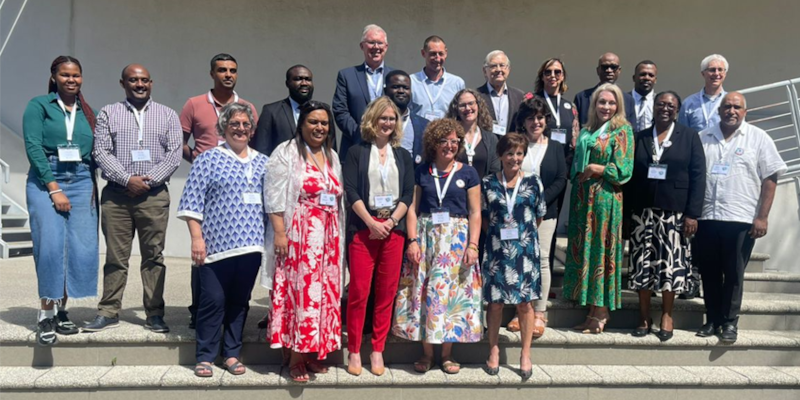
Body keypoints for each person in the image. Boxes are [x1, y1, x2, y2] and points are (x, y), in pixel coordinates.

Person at [85, 64, 182, 333]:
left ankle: (154, 314)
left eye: (144, 80)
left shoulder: (168, 114)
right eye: (133, 80)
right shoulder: (109, 113)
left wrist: (146, 182)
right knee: (116, 257)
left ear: (151, 83)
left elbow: (174, 155)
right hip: (117, 197)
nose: (140, 85)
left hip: (154, 196)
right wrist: (127, 179)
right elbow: (101, 152)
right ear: (123, 83)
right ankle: (108, 311)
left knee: (153, 257)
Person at [177, 103, 269, 377]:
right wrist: (196, 239)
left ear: (252, 130)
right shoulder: (207, 159)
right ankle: (205, 356)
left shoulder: (264, 163)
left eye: (245, 124)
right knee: (213, 300)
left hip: (251, 246)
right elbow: (192, 202)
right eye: (234, 124)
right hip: (216, 248)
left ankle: (231, 353)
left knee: (240, 302)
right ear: (223, 127)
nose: (240, 129)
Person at [694, 92, 787, 344]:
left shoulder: (759, 138)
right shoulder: (703, 137)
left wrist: (762, 217)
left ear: (745, 112)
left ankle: (729, 322)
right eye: (727, 106)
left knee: (734, 273)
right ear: (719, 110)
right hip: (707, 217)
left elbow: (770, 178)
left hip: (741, 218)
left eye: (737, 107)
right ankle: (712, 319)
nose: (731, 111)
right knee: (709, 272)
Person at [393, 118, 482, 375]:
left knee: (451, 295)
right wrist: (412, 240)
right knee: (425, 292)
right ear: (434, 143)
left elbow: (475, 212)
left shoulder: (469, 173)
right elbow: (412, 209)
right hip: (427, 238)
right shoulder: (422, 171)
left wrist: (473, 245)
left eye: (455, 141)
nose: (450, 145)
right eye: (444, 140)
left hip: (456, 241)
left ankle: (447, 354)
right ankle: (427, 353)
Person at [264, 101, 345, 382]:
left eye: (324, 123)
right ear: (301, 124)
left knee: (322, 296)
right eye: (313, 122)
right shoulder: (286, 152)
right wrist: (280, 232)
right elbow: (273, 195)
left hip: (329, 238)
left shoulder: (332, 155)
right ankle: (295, 357)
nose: (319, 127)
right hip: (300, 235)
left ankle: (311, 352)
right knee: (301, 295)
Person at [180, 53, 259, 329]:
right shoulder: (194, 104)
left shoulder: (246, 107)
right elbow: (181, 141)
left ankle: (229, 313)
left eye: (232, 70)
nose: (228, 74)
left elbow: (249, 143)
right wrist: (198, 159)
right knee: (202, 253)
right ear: (212, 73)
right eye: (222, 70)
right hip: (207, 180)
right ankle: (198, 310)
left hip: (234, 186)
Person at [23, 55, 98, 346]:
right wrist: (54, 189)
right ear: (54, 77)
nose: (71, 80)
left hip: (81, 178)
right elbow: (33, 146)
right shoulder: (39, 105)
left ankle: (62, 310)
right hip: (47, 178)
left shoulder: (88, 112)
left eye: (76, 75)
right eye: (65, 75)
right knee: (51, 246)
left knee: (77, 248)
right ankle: (45, 314)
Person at [342, 97, 414, 376]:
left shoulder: (403, 155)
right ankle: (354, 350)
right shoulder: (356, 152)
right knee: (359, 292)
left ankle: (377, 350)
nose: (388, 123)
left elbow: (407, 194)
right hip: (364, 229)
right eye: (383, 117)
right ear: (372, 119)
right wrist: (371, 222)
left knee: (386, 293)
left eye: (392, 118)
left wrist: (392, 221)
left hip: (393, 231)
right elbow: (351, 190)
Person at [625, 91, 706, 342]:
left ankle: (667, 315)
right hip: (642, 213)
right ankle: (644, 316)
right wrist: (627, 214)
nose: (665, 108)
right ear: (654, 107)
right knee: (642, 265)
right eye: (661, 104)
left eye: (671, 105)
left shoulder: (689, 136)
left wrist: (692, 214)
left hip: (675, 213)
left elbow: (698, 176)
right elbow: (630, 177)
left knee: (670, 266)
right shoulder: (640, 137)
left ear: (677, 110)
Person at [563, 83, 634, 334]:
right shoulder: (587, 130)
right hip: (583, 199)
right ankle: (591, 310)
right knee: (588, 252)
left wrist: (597, 168)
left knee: (601, 252)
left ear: (618, 106)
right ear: (594, 104)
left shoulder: (622, 131)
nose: (606, 107)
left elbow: (624, 170)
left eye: (611, 103)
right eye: (602, 102)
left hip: (604, 198)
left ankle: (602, 310)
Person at [482, 133, 547, 379]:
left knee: (525, 303)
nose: (515, 158)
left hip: (525, 252)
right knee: (495, 303)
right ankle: (493, 349)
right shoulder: (488, 183)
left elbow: (538, 215)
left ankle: (525, 354)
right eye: (510, 153)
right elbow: (483, 216)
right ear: (500, 155)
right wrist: (499, 235)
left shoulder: (533, 181)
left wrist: (521, 237)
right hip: (497, 251)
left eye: (519, 153)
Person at [504, 97, 566, 337]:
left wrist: (539, 203)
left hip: (545, 214)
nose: (535, 122)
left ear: (546, 120)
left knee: (541, 260)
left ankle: (539, 313)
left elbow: (561, 179)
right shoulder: (515, 144)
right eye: (530, 118)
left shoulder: (556, 147)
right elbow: (507, 173)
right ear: (523, 121)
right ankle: (520, 311)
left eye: (540, 117)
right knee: (518, 260)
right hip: (517, 213)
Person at [333, 24, 394, 162]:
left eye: (380, 43)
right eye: (371, 42)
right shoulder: (347, 76)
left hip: (388, 148)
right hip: (355, 146)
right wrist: (361, 133)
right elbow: (340, 110)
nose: (376, 47)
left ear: (386, 47)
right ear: (362, 46)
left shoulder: (395, 76)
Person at [252, 65, 314, 157]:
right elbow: (262, 150)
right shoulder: (271, 111)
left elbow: (330, 147)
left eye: (308, 79)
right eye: (298, 79)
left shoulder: (323, 112)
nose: (304, 83)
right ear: (287, 83)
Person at [447, 88, 501, 179]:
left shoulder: (491, 139)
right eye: (462, 105)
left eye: (471, 103)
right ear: (456, 109)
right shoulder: (449, 138)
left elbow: (495, 171)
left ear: (478, 106)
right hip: (455, 187)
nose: (467, 108)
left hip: (482, 188)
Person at [411, 36, 465, 121]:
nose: (437, 58)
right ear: (423, 53)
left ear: (446, 53)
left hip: (448, 129)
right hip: (419, 130)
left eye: (441, 54)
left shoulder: (457, 83)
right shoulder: (412, 81)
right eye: (433, 54)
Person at [574, 53, 635, 128]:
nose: (609, 70)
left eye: (613, 67)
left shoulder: (628, 100)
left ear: (619, 70)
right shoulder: (581, 98)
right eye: (605, 67)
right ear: (598, 70)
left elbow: (632, 130)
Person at [475, 50, 524, 136]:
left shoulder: (519, 96)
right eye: (493, 66)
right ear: (485, 71)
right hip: (486, 143)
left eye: (502, 65)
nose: (498, 69)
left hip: (511, 143)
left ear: (508, 69)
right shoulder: (476, 96)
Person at [384, 70, 429, 164]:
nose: (401, 91)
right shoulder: (374, 121)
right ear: (385, 91)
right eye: (395, 87)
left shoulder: (424, 125)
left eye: (406, 88)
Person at [678, 54, 729, 132]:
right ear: (703, 74)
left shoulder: (731, 101)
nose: (716, 73)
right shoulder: (688, 103)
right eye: (712, 70)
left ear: (725, 73)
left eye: (720, 69)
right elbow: (682, 133)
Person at [630, 60, 658, 132]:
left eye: (651, 75)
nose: (647, 78)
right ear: (634, 78)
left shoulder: (659, 102)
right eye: (642, 74)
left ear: (655, 80)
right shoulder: (624, 100)